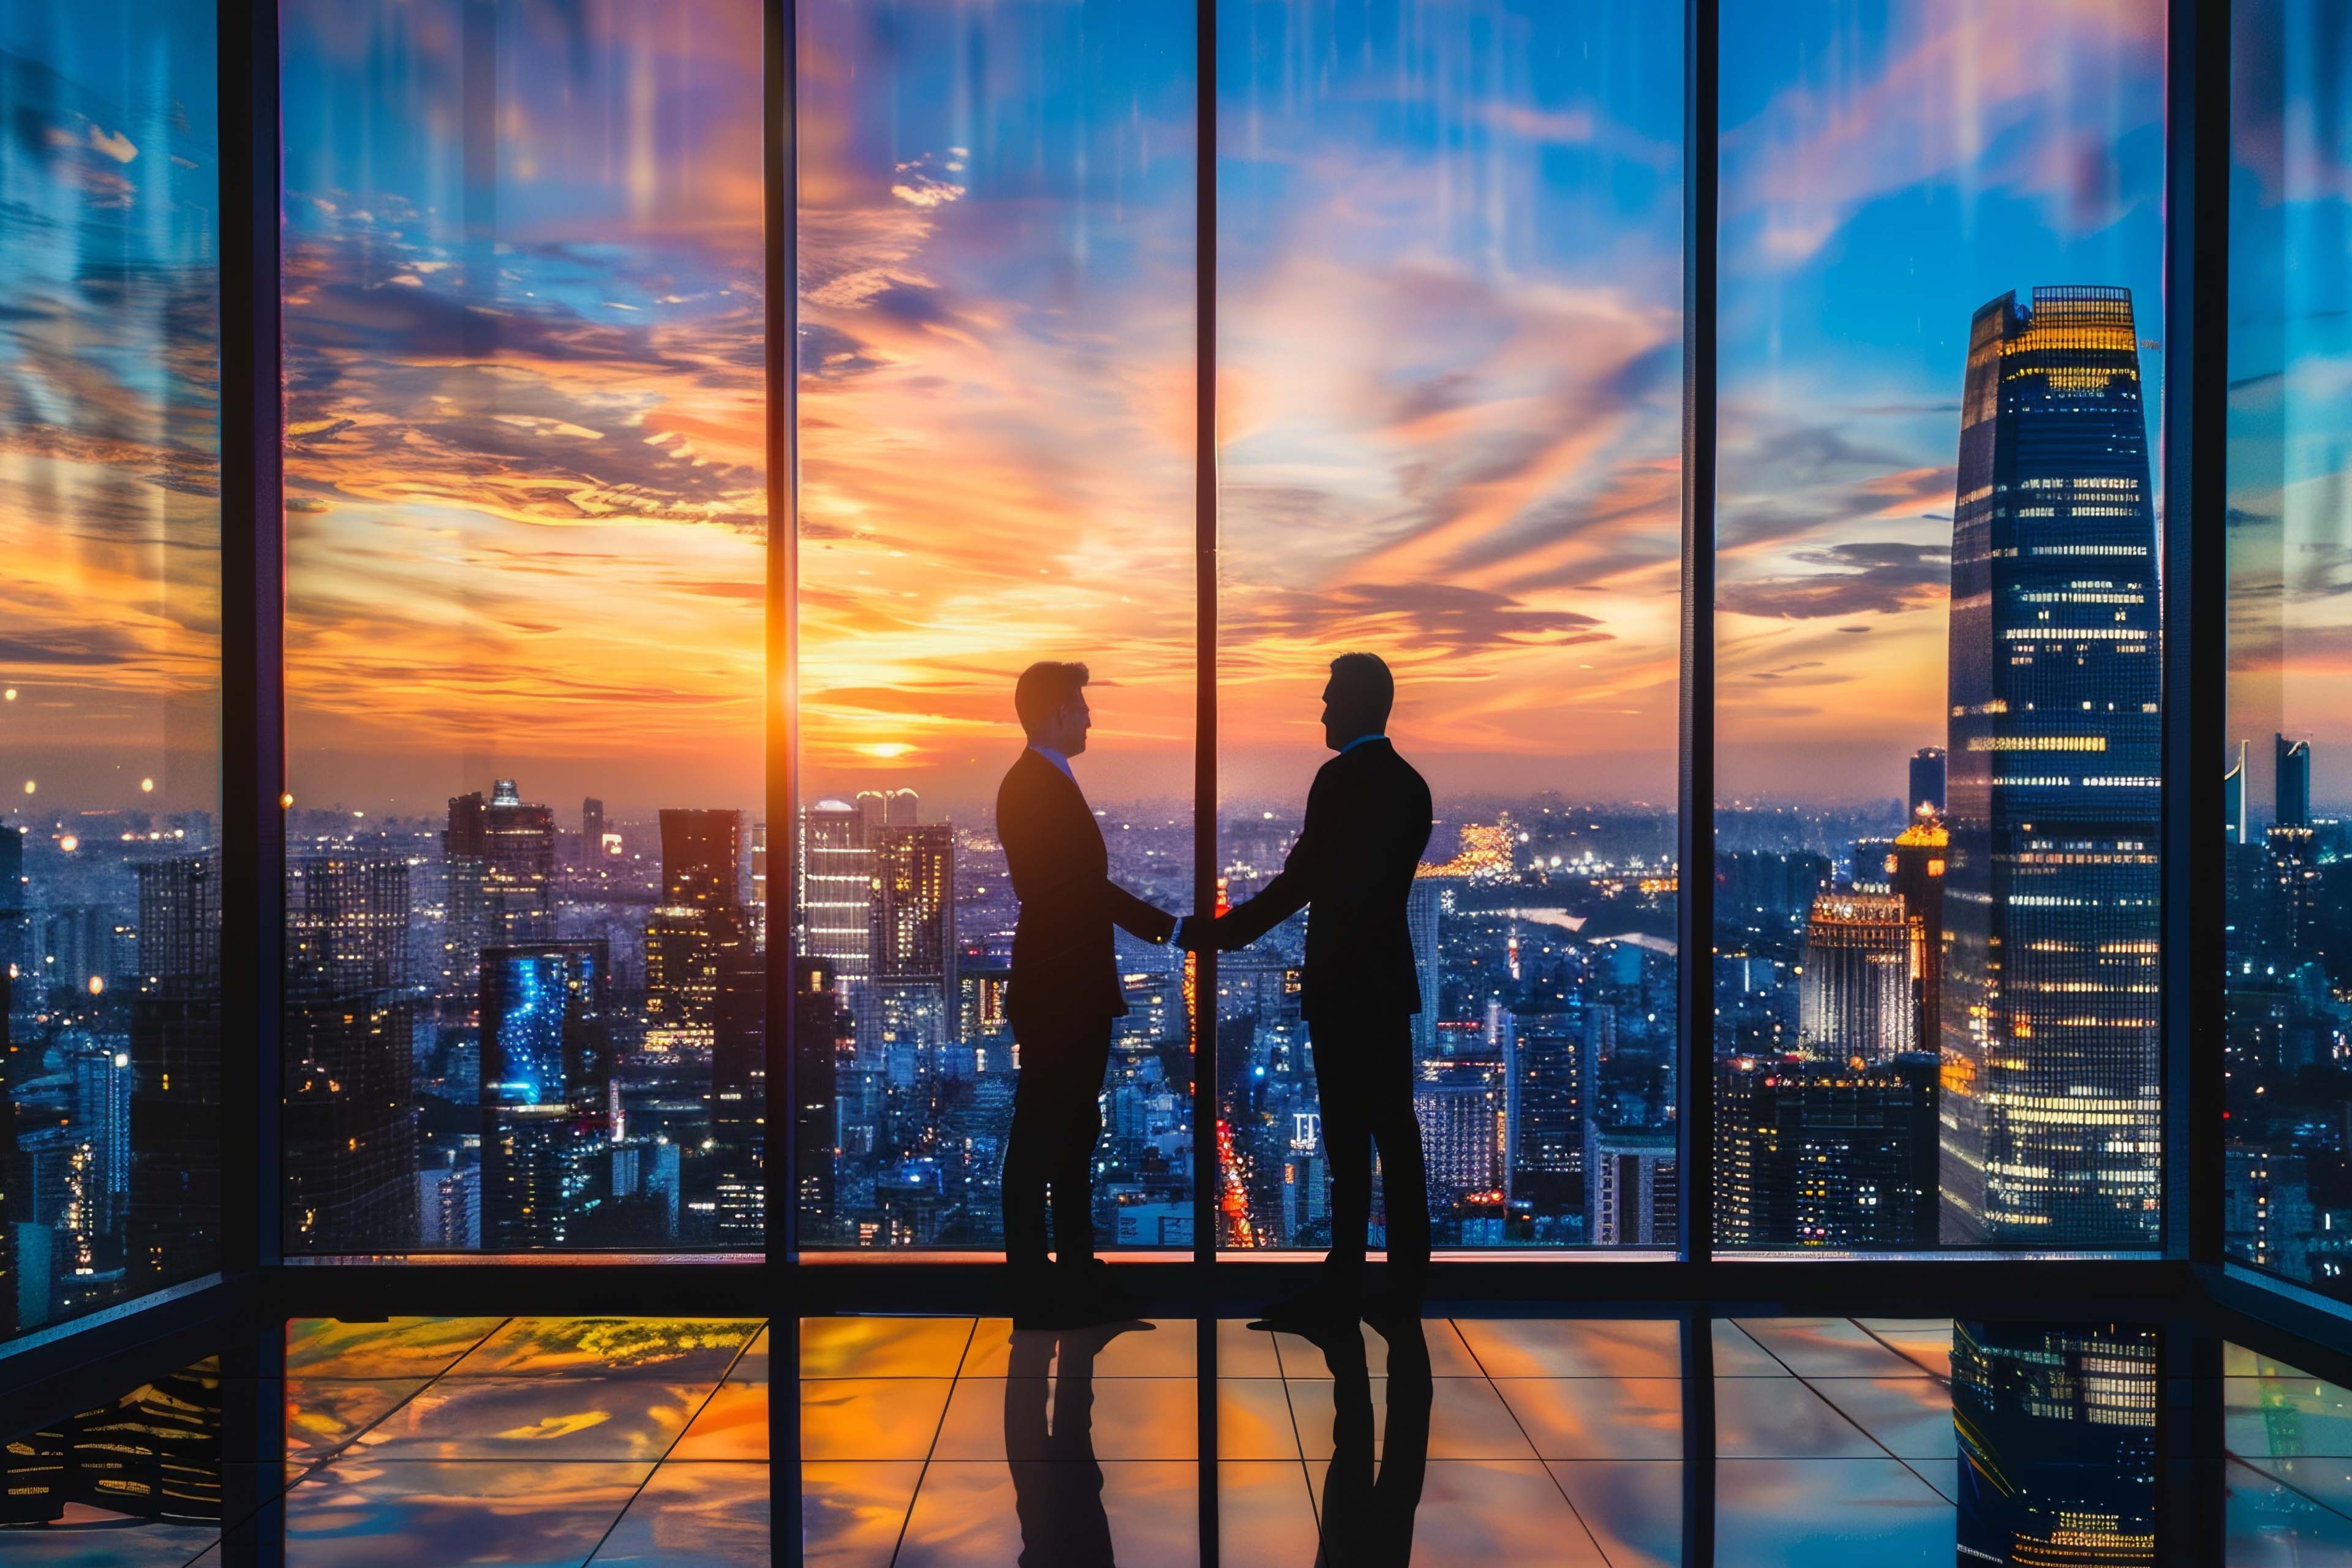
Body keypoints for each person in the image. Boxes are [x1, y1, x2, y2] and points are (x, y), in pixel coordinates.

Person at [1186, 652, 1434, 1323]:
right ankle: (1408, 1281)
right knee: (1395, 1129)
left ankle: (1344, 1281)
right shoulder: (1413, 787)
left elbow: (1301, 882)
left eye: (1329, 697)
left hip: (1339, 985)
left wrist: (1216, 935)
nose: (1321, 708)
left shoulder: (1337, 780)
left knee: (1346, 1138)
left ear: (1356, 702)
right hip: (1388, 982)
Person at [997, 660, 1178, 1329]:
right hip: (1060, 986)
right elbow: (1073, 890)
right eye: (1080, 706)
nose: (1091, 717)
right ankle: (1039, 1282)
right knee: (1048, 1130)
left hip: (1065, 983)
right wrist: (1168, 927)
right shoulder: (1033, 786)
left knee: (1071, 1129)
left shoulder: (1041, 782)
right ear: (1052, 715)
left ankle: (1068, 1273)